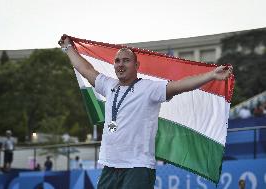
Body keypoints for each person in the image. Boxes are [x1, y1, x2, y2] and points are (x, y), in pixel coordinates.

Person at [58, 35, 233, 189]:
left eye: (126, 60)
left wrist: (211, 75)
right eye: (117, 61)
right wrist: (68, 48)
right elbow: (86, 69)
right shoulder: (109, 85)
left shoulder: (149, 88)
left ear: (137, 65)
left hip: (137, 167)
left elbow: (179, 86)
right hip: (109, 165)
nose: (120, 64)